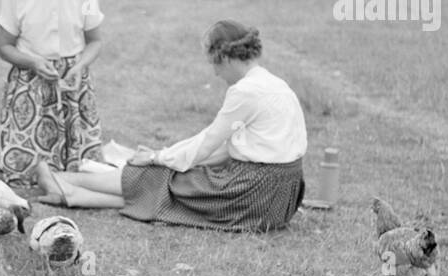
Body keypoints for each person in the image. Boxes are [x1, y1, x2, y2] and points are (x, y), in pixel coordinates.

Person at [36, 20, 307, 232]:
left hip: (254, 193)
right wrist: (168, 156)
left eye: (214, 65)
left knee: (161, 178)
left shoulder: (245, 91)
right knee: (174, 187)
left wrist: (157, 157)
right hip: (279, 202)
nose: (215, 73)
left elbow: (208, 142)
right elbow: (227, 148)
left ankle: (64, 180)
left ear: (223, 59)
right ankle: (71, 194)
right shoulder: (274, 84)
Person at [0, 0, 104, 187]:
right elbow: (4, 48)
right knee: (24, 173)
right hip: (30, 84)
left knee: (82, 171)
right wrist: (32, 61)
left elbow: (95, 42)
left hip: (71, 84)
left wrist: (79, 67)